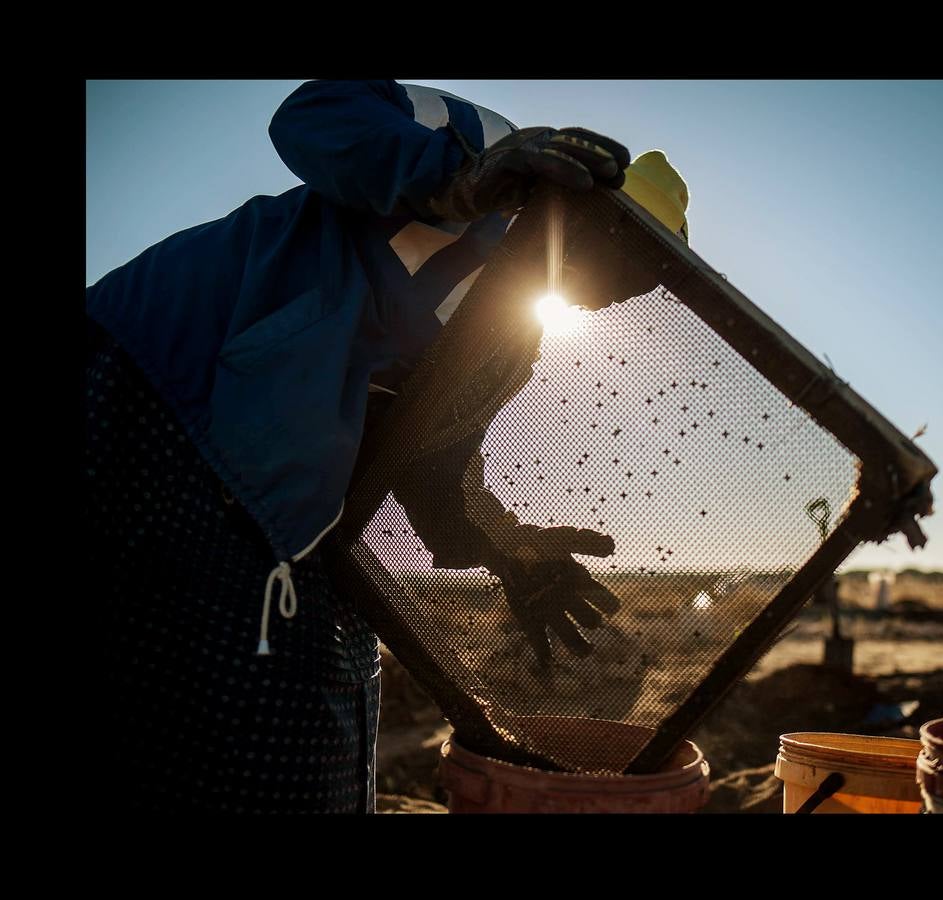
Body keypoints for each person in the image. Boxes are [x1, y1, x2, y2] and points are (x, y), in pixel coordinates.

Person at [86, 79, 691, 813]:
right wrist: (457, 179)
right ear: (583, 204)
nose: (613, 292)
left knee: (288, 708)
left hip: (268, 485)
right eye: (621, 250)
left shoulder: (511, 339)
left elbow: (435, 469)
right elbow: (315, 113)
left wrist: (509, 548)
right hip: (156, 369)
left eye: (642, 281)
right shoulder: (482, 146)